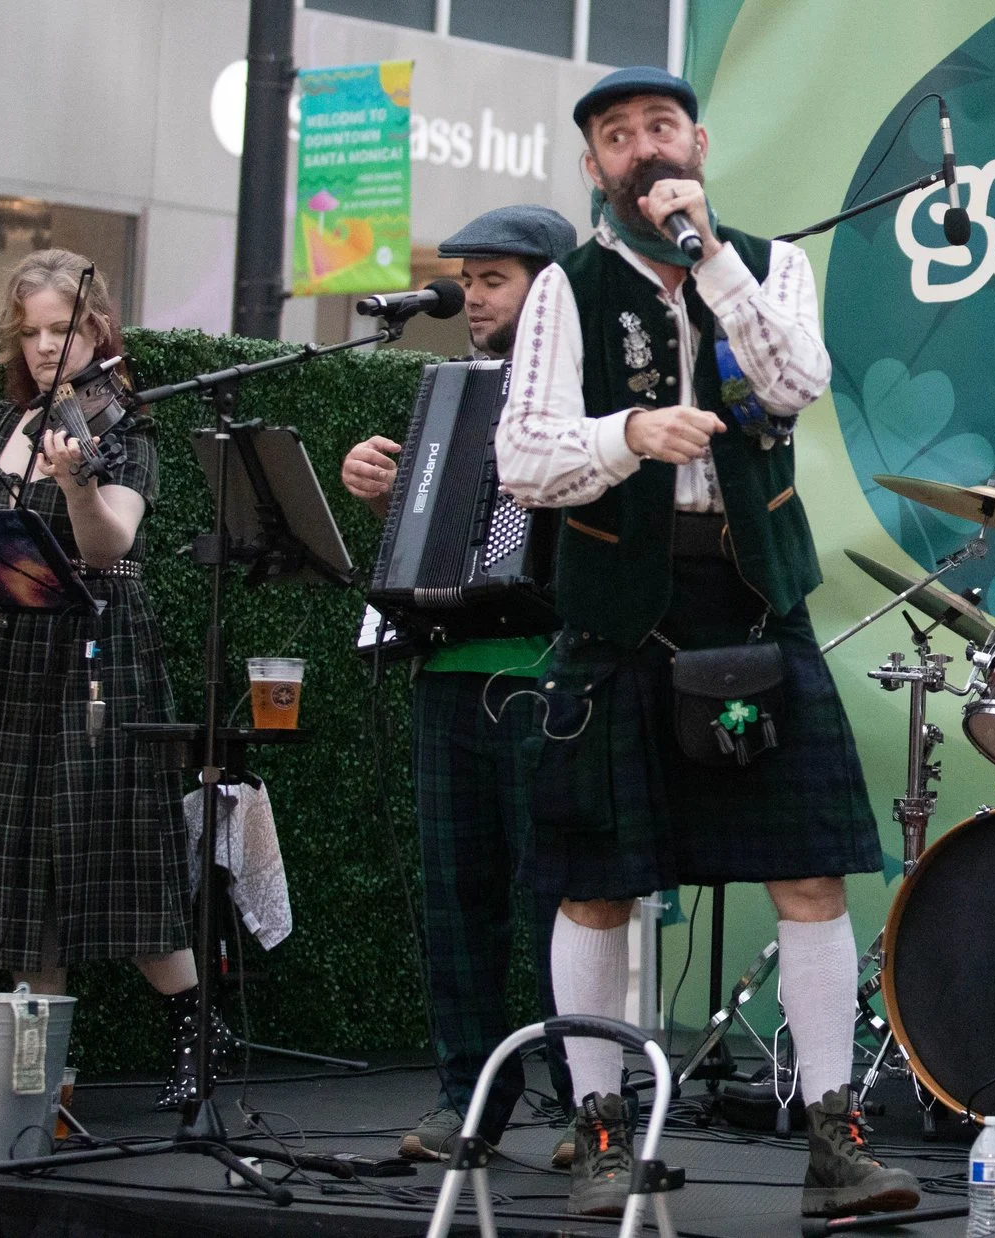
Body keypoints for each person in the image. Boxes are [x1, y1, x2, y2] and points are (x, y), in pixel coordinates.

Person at [493, 67, 914, 1220]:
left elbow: (797, 384)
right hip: (620, 608)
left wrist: (709, 257)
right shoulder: (566, 290)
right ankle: (596, 1135)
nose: (642, 149)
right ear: (593, 168)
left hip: (754, 601)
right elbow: (523, 460)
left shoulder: (771, 264)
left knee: (812, 867)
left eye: (660, 128)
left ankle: (836, 1137)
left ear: (699, 142)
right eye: (617, 137)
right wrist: (630, 431)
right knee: (596, 887)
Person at [337, 204, 584, 1168]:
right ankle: (465, 1102)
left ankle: (583, 1105)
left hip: (550, 676)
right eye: (468, 280)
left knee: (559, 903)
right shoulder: (449, 391)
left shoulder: (589, 392)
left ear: (550, 286)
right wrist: (380, 485)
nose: (472, 297)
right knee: (457, 899)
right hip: (446, 671)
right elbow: (434, 527)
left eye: (494, 280)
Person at [0, 249, 205, 1107]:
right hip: (9, 661)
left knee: (113, 851)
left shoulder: (123, 423)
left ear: (97, 330)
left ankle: (196, 1039)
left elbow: (108, 545)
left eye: (65, 328)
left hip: (96, 650)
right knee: (17, 865)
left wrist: (76, 481)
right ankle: (35, 1077)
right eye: (34, 332)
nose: (48, 347)